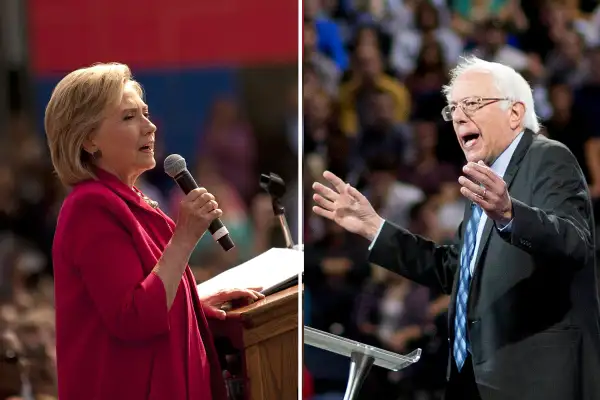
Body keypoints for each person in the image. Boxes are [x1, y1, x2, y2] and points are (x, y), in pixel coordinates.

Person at [312, 56, 600, 400]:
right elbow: (456, 272)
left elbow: (576, 244)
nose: (459, 115)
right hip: (473, 378)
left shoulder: (548, 158)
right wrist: (376, 228)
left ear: (515, 113)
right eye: (453, 108)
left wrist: (510, 214)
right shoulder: (484, 179)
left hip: (533, 378)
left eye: (473, 103)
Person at [44, 63, 264, 400]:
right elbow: (132, 317)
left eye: (145, 114)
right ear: (89, 139)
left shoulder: (133, 200)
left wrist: (191, 300)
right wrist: (186, 236)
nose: (150, 127)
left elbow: (144, 291)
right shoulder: (90, 208)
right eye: (129, 117)